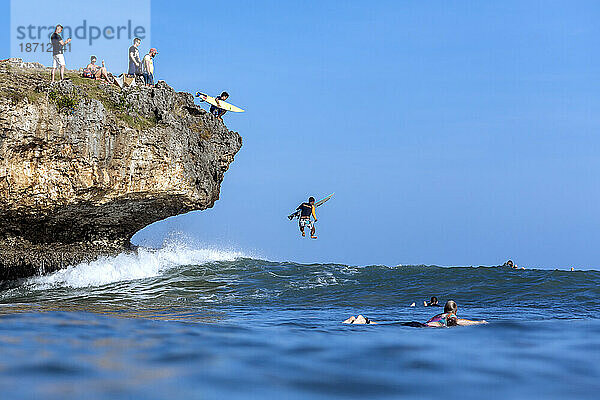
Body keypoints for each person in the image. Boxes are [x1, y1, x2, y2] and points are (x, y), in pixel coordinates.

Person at [344, 300, 487, 327]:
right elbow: (462, 322)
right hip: (422, 327)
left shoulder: (440, 315)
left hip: (420, 324)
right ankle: (363, 321)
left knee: (388, 325)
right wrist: (480, 322)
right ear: (455, 310)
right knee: (388, 325)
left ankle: (364, 320)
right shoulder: (451, 317)